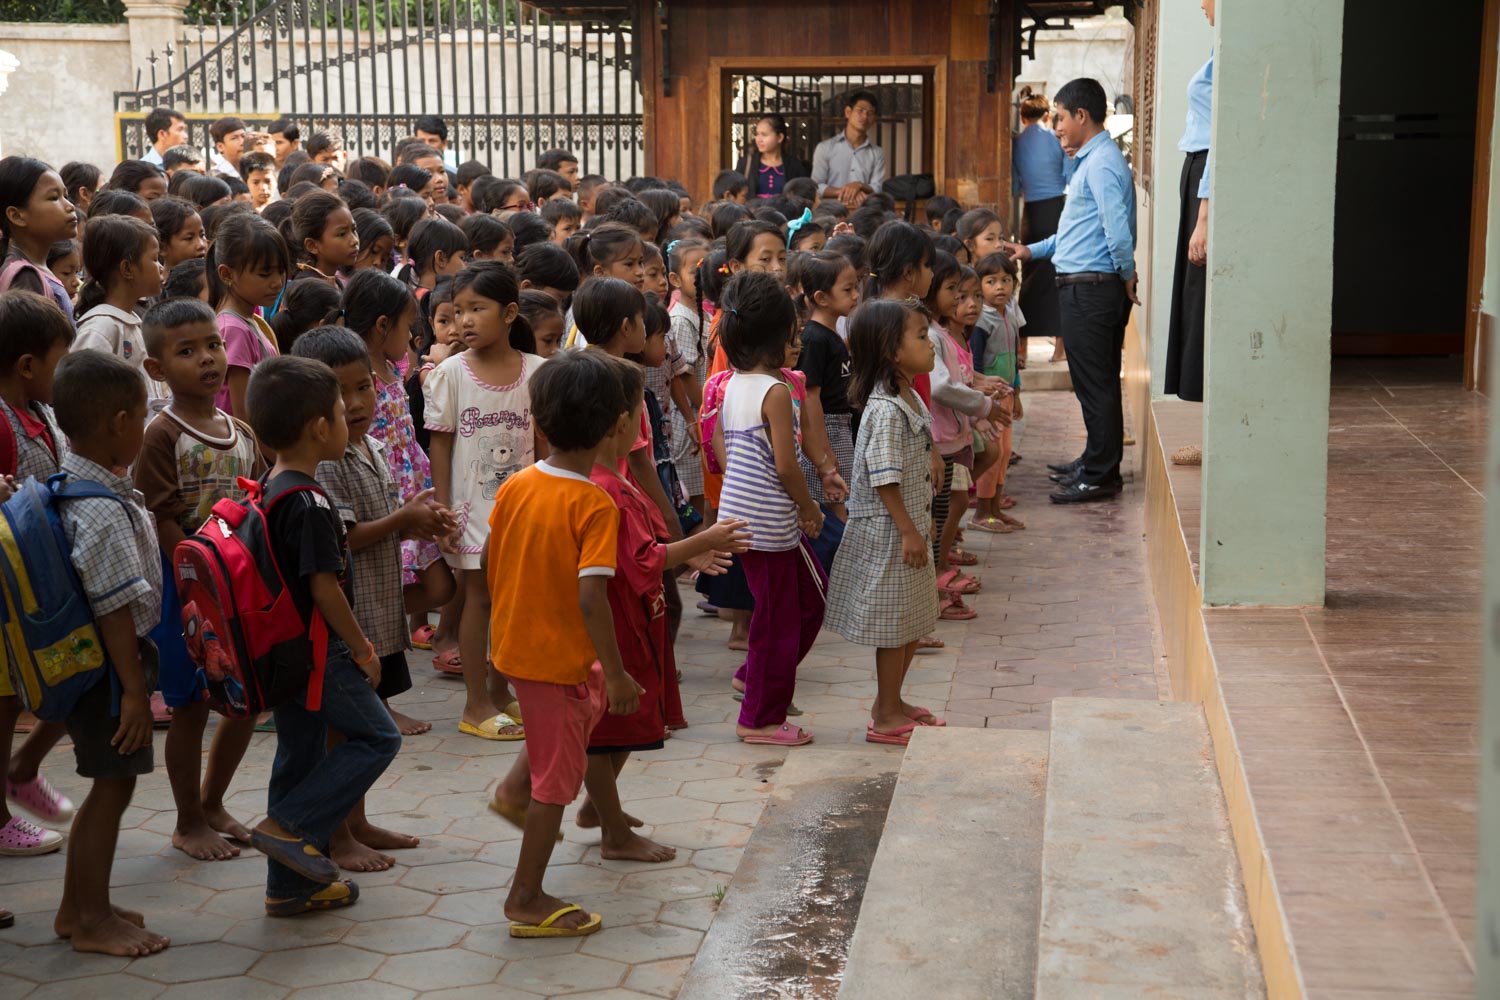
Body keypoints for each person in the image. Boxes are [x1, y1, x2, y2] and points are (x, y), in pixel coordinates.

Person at [482, 349, 642, 940]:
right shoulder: (594, 503)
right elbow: (591, 599)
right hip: (556, 661)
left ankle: (515, 788)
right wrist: (621, 673)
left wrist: (498, 655)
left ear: (540, 423)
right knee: (558, 782)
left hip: (524, 651)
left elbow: (494, 566)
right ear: (614, 428)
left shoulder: (518, 483)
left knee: (571, 725)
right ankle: (525, 896)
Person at [240, 355, 401, 917]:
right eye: (339, 410)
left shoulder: (268, 487)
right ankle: (291, 826)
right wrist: (361, 648)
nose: (348, 415)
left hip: (283, 652)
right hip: (318, 652)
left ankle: (287, 888)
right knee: (379, 738)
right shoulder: (310, 502)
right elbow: (325, 587)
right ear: (318, 428)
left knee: (299, 756)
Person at [579, 352, 751, 858]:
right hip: (618, 629)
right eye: (642, 412)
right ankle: (613, 832)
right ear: (622, 425)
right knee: (608, 729)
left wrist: (694, 552)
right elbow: (641, 560)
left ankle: (599, 807)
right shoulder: (602, 490)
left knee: (632, 721)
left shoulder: (613, 481)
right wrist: (702, 543)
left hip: (636, 621)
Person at [293, 325, 450, 871]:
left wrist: (420, 524)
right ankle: (336, 835)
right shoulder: (326, 462)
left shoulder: (371, 447)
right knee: (349, 734)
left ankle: (356, 822)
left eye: (365, 387)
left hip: (377, 612)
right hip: (347, 621)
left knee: (360, 728)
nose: (356, 403)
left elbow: (381, 525)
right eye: (342, 393)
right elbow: (343, 539)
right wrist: (403, 519)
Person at [135, 298, 262, 861]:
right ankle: (188, 821)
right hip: (184, 594)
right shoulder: (160, 435)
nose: (208, 359)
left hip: (237, 587)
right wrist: (195, 587)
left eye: (212, 345)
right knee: (189, 707)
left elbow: (253, 502)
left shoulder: (240, 430)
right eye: (187, 352)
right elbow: (162, 516)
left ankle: (214, 803)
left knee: (244, 700)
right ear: (157, 369)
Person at [49, 351, 167, 956]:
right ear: (120, 423)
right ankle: (92, 921)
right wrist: (133, 693)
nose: (146, 427)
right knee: (112, 787)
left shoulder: (77, 482)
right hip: (110, 672)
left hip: (103, 668)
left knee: (109, 783)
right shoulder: (99, 509)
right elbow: (115, 611)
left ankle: (78, 907)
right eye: (144, 415)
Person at [1003, 77, 1137, 504]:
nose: (1056, 126)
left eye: (1059, 117)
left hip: (1093, 289)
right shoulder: (1091, 160)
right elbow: (1073, 233)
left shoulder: (1100, 164)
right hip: (1087, 286)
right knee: (1093, 383)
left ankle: (1100, 474)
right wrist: (1030, 249)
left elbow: (1117, 233)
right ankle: (1097, 462)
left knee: (1095, 384)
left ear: (1081, 115)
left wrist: (1127, 273)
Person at [425, 262, 541, 741]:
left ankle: (499, 689)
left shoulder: (539, 372)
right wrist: (443, 507)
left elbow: (547, 446)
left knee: (518, 602)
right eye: (457, 311)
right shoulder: (452, 374)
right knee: (480, 597)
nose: (465, 321)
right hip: (473, 511)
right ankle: (475, 704)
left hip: (525, 510)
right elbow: (442, 444)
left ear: (510, 312)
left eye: (478, 309)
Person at [714, 271, 825, 747]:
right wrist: (809, 508)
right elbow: (785, 464)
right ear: (780, 337)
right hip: (770, 524)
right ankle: (759, 717)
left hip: (743, 517)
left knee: (796, 606)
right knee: (782, 620)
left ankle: (752, 678)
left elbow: (724, 450)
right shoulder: (775, 391)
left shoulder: (733, 383)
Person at [825, 299, 943, 745]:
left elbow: (921, 433)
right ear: (892, 351)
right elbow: (883, 475)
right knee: (895, 627)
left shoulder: (906, 393)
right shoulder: (885, 408)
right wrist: (910, 532)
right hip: (893, 532)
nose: (930, 345)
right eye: (920, 337)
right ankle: (887, 715)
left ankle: (889, 702)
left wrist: (932, 452)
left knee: (913, 618)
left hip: (910, 527)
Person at [337, 270, 456, 678]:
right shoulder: (358, 379)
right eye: (407, 328)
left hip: (410, 493)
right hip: (381, 501)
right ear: (383, 325)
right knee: (382, 597)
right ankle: (362, 656)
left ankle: (355, 623)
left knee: (441, 586)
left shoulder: (391, 369)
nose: (411, 338)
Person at [0, 292, 76, 863]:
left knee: (47, 684)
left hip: (38, 580)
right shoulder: (3, 422)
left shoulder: (41, 412)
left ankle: (18, 771)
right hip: (8, 588)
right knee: (5, 700)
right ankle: (2, 811)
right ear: (28, 367)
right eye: (59, 360)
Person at [1164, 0, 1216, 410]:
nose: (1202, 4)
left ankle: (1202, 390)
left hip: (1205, 177)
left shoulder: (1231, 52)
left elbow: (1221, 135)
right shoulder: (1219, 47)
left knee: (1199, 284)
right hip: (1196, 171)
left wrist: (1204, 215)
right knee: (1190, 287)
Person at [72, 215, 169, 415]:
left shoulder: (130, 320)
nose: (161, 267)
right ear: (127, 269)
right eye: (154, 259)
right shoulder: (101, 328)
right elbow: (82, 394)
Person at [794, 251, 857, 520]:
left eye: (856, 287)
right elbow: (810, 398)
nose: (855, 295)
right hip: (825, 428)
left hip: (839, 426)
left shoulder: (831, 337)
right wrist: (825, 453)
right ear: (821, 297)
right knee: (834, 504)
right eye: (848, 289)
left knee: (840, 501)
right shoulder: (815, 339)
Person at [208, 212, 290, 417]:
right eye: (264, 274)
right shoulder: (234, 329)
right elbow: (245, 416)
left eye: (281, 271)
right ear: (227, 274)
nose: (277, 282)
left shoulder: (248, 321)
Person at [969, 252, 1026, 532]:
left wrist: (1016, 393)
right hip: (988, 399)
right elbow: (975, 363)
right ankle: (981, 510)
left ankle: (996, 507)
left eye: (1006, 280)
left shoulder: (1011, 317)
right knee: (991, 452)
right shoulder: (981, 322)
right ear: (979, 286)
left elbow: (1014, 358)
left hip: (1006, 396)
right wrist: (982, 400)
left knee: (1004, 452)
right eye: (991, 281)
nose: (1000, 287)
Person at [1012, 93, 1071, 351]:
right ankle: (1059, 347)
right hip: (1057, 209)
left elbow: (1014, 185)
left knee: (1029, 276)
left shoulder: (1015, 143)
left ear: (1023, 117)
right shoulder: (1056, 139)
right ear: (1047, 116)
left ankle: (1022, 346)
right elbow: (1069, 174)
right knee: (1060, 273)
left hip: (1032, 213)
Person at [0, 157, 79, 323]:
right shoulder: (25, 277)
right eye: (54, 198)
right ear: (16, 216)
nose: (70, 206)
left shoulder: (39, 269)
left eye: (66, 195)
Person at [811, 90, 886, 206]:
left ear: (873, 119)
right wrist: (846, 192)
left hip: (864, 214)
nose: (865, 116)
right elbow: (816, 186)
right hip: (831, 214)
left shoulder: (877, 153)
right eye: (860, 111)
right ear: (848, 112)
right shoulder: (824, 148)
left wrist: (859, 185)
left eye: (870, 113)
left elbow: (877, 188)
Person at [735, 114, 811, 200]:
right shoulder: (745, 164)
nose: (758, 139)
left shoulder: (795, 166)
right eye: (757, 134)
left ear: (780, 137)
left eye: (764, 135)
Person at [150, 196, 208, 272]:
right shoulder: (156, 283)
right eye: (189, 238)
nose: (201, 245)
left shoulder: (213, 281)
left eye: (202, 235)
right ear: (162, 247)